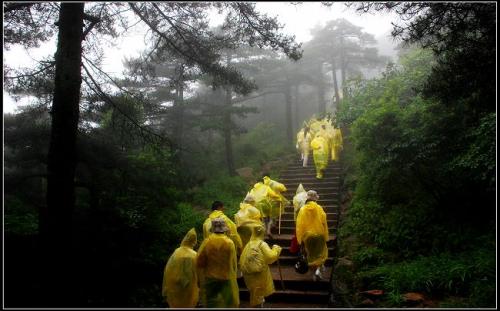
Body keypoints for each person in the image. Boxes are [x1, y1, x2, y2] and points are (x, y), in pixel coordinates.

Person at [197, 218, 239, 308]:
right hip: (226, 277)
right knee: (228, 302)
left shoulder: (207, 242)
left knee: (211, 302)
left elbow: (200, 261)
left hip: (210, 277)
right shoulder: (229, 242)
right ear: (224, 229)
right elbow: (233, 261)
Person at [239, 225, 282, 307]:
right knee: (258, 292)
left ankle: (258, 305)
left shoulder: (249, 244)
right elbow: (270, 257)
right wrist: (276, 249)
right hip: (259, 273)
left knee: (255, 292)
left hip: (248, 272)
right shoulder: (262, 244)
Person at [295, 190, 329, 281]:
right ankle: (318, 270)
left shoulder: (303, 209)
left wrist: (300, 239)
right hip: (320, 234)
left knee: (310, 254)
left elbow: (299, 225)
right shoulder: (319, 208)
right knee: (321, 253)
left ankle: (314, 273)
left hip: (308, 236)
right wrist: (326, 235)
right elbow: (324, 222)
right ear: (315, 199)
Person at [162, 228, 199, 308]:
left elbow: (168, 269)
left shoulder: (176, 251)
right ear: (194, 242)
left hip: (174, 285)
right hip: (187, 288)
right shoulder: (194, 255)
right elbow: (195, 273)